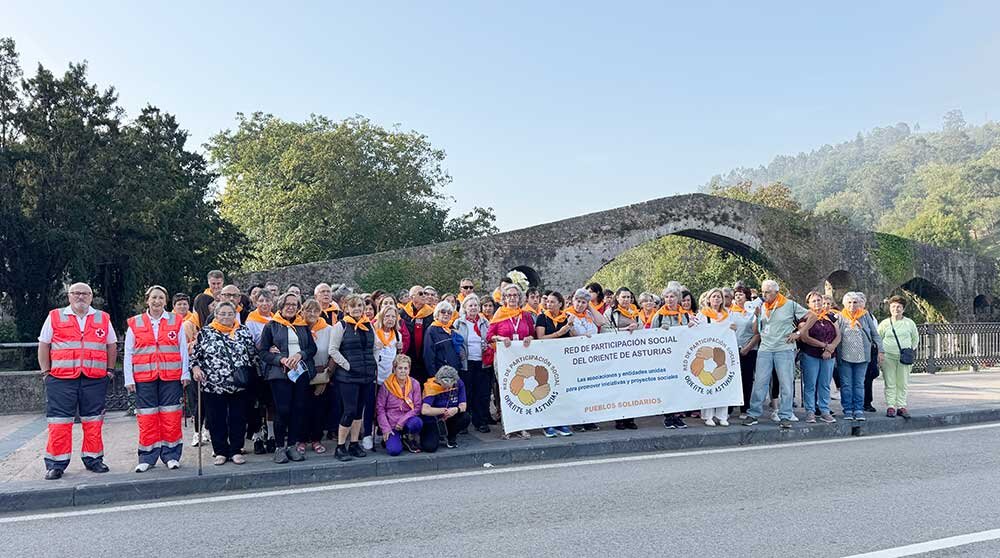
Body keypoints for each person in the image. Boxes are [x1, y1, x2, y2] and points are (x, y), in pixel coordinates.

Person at [37, 282, 117, 480]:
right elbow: (44, 345)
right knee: (59, 423)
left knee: (93, 421)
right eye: (76, 293)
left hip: (94, 378)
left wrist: (109, 370)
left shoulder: (102, 317)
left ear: (91, 296)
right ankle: (56, 464)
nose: (80, 297)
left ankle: (94, 459)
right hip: (61, 379)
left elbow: (111, 345)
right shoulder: (54, 316)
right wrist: (46, 372)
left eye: (85, 293)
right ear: (69, 296)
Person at [125, 286, 190, 472]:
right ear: (147, 300)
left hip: (171, 377)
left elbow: (183, 349)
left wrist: (185, 373)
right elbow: (128, 352)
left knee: (171, 416)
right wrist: (129, 378)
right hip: (144, 378)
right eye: (153, 297)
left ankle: (171, 455)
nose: (157, 301)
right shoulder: (135, 323)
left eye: (161, 297)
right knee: (147, 418)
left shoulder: (175, 321)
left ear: (166, 301)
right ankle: (147, 457)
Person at [191, 301, 256, 466]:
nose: (226, 317)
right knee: (215, 419)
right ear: (216, 315)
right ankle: (220, 451)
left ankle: (235, 450)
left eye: (230, 313)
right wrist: (196, 369)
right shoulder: (205, 332)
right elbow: (195, 357)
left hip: (239, 384)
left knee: (238, 418)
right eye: (223, 313)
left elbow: (252, 354)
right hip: (213, 384)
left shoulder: (243, 331)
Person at [259, 292, 318, 463]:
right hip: (280, 374)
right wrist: (281, 359)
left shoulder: (302, 326)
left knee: (298, 409)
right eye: (288, 304)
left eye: (294, 304)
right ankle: (279, 447)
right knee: (282, 410)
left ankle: (292, 445)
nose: (291, 307)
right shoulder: (272, 326)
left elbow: (311, 349)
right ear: (281, 306)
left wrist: (300, 354)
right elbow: (263, 352)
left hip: (300, 373)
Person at [742, 280, 809, 429]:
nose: (764, 295)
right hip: (765, 349)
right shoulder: (762, 306)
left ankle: (785, 415)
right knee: (760, 382)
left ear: (776, 293)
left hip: (784, 349)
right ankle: (753, 414)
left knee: (786, 383)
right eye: (763, 292)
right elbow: (755, 331)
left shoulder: (789, 305)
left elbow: (812, 316)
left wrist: (799, 333)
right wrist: (757, 316)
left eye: (767, 292)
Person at [328, 294, 377, 461]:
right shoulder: (340, 326)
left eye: (360, 306)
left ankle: (354, 443)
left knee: (358, 411)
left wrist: (373, 364)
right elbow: (333, 350)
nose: (357, 309)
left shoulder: (368, 325)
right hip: (348, 377)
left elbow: (375, 347)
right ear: (346, 309)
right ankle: (341, 446)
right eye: (353, 306)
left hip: (366, 375)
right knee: (348, 411)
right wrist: (348, 366)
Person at [486, 283, 536, 439]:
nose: (512, 298)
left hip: (522, 358)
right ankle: (508, 426)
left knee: (523, 390)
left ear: (519, 298)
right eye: (509, 295)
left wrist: (529, 338)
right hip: (503, 358)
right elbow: (489, 337)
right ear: (504, 298)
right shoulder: (499, 314)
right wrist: (500, 338)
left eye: (515, 295)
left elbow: (533, 334)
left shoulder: (525, 315)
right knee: (506, 391)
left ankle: (522, 425)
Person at [836, 292, 884, 421]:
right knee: (846, 384)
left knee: (859, 384)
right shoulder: (839, 317)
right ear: (844, 304)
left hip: (862, 356)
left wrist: (881, 351)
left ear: (859, 304)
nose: (852, 305)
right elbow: (835, 336)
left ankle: (858, 409)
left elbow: (875, 334)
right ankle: (847, 409)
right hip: (844, 356)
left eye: (855, 302)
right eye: (849, 302)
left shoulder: (865, 315)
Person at [366, 304, 408, 450]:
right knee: (371, 407)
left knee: (387, 407)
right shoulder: (374, 333)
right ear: (381, 317)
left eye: (393, 316)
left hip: (390, 379)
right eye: (387, 316)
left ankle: (386, 432)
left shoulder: (397, 335)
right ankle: (367, 434)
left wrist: (400, 348)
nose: (390, 319)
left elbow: (397, 358)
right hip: (375, 376)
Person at [797, 291, 841, 424]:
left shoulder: (830, 316)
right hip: (811, 354)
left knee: (825, 384)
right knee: (810, 384)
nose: (817, 303)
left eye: (819, 300)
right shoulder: (805, 318)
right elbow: (804, 337)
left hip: (829, 355)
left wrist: (831, 347)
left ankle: (825, 410)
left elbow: (838, 335)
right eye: (814, 301)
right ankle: (810, 411)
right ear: (808, 304)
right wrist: (824, 346)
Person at [697, 288, 737, 427]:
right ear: (709, 299)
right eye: (713, 297)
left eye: (719, 297)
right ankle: (708, 415)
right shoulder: (703, 315)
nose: (716, 299)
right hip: (708, 354)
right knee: (709, 382)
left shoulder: (728, 314)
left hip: (723, 354)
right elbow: (696, 332)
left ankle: (722, 415)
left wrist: (733, 328)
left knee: (723, 383)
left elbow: (733, 332)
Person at [456, 294, 495, 434]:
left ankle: (481, 421)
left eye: (475, 305)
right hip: (466, 362)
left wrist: (488, 346)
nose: (473, 308)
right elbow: (455, 342)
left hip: (482, 362)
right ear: (465, 308)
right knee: (466, 393)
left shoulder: (485, 323)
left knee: (482, 393)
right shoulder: (458, 323)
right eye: (470, 305)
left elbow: (491, 339)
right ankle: (463, 423)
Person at [602, 287, 640, 430]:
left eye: (629, 297)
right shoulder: (610, 313)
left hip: (632, 354)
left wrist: (637, 328)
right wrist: (625, 331)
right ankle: (619, 419)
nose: (626, 300)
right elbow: (605, 330)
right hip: (616, 355)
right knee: (618, 387)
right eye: (623, 297)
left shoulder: (635, 312)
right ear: (617, 298)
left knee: (632, 387)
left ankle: (630, 418)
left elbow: (643, 330)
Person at [878, 296, 919, 418]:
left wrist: (909, 350)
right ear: (890, 309)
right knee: (890, 382)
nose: (896, 309)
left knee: (902, 382)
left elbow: (915, 339)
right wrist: (880, 353)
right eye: (893, 307)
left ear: (903, 309)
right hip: (888, 357)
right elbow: (878, 339)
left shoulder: (909, 323)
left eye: (899, 307)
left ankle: (901, 406)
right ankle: (891, 406)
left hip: (904, 357)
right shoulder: (885, 324)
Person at [658, 286, 692, 429]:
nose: (669, 300)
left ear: (677, 298)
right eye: (667, 297)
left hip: (681, 355)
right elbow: (651, 334)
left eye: (672, 297)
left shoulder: (684, 315)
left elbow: (689, 334)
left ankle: (677, 416)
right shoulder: (659, 315)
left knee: (680, 387)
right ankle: (668, 416)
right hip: (665, 357)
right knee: (668, 387)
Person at [301, 298, 332, 453]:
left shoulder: (328, 330)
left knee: (318, 409)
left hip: (321, 374)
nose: (312, 313)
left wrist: (327, 376)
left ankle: (316, 439)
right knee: (301, 408)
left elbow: (333, 353)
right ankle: (301, 440)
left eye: (315, 310)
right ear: (302, 311)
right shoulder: (298, 328)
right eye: (308, 310)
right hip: (302, 374)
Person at [377, 355, 424, 456]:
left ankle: (407, 437)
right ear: (394, 369)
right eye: (400, 368)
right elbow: (380, 409)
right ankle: (392, 439)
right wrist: (386, 429)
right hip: (392, 423)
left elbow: (417, 407)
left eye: (406, 368)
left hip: (407, 420)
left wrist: (402, 421)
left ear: (409, 370)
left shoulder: (415, 384)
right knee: (394, 451)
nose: (403, 371)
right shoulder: (386, 385)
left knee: (417, 423)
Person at [420, 366, 471, 451]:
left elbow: (463, 405)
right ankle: (431, 434)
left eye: (450, 385)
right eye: (445, 386)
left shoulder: (459, 383)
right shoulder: (431, 386)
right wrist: (443, 411)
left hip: (450, 416)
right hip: (433, 418)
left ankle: (451, 436)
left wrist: (456, 410)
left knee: (465, 417)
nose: (447, 388)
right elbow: (425, 410)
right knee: (430, 447)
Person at [729, 286, 760, 419]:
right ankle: (729, 408)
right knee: (732, 379)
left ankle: (744, 408)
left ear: (746, 296)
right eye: (736, 294)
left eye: (741, 294)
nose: (738, 297)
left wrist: (747, 348)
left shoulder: (752, 312)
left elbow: (757, 333)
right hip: (732, 350)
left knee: (747, 380)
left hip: (749, 350)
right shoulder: (730, 312)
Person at [400, 285, 435, 384]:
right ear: (412, 297)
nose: (424, 296)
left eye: (425, 293)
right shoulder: (403, 314)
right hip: (408, 357)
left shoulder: (431, 314)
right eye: (421, 294)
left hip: (425, 358)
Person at [423, 301, 462, 377]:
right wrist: (433, 375)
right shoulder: (431, 330)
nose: (446, 314)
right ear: (437, 314)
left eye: (449, 312)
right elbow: (428, 356)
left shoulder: (451, 328)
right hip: (441, 373)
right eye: (443, 312)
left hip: (454, 372)